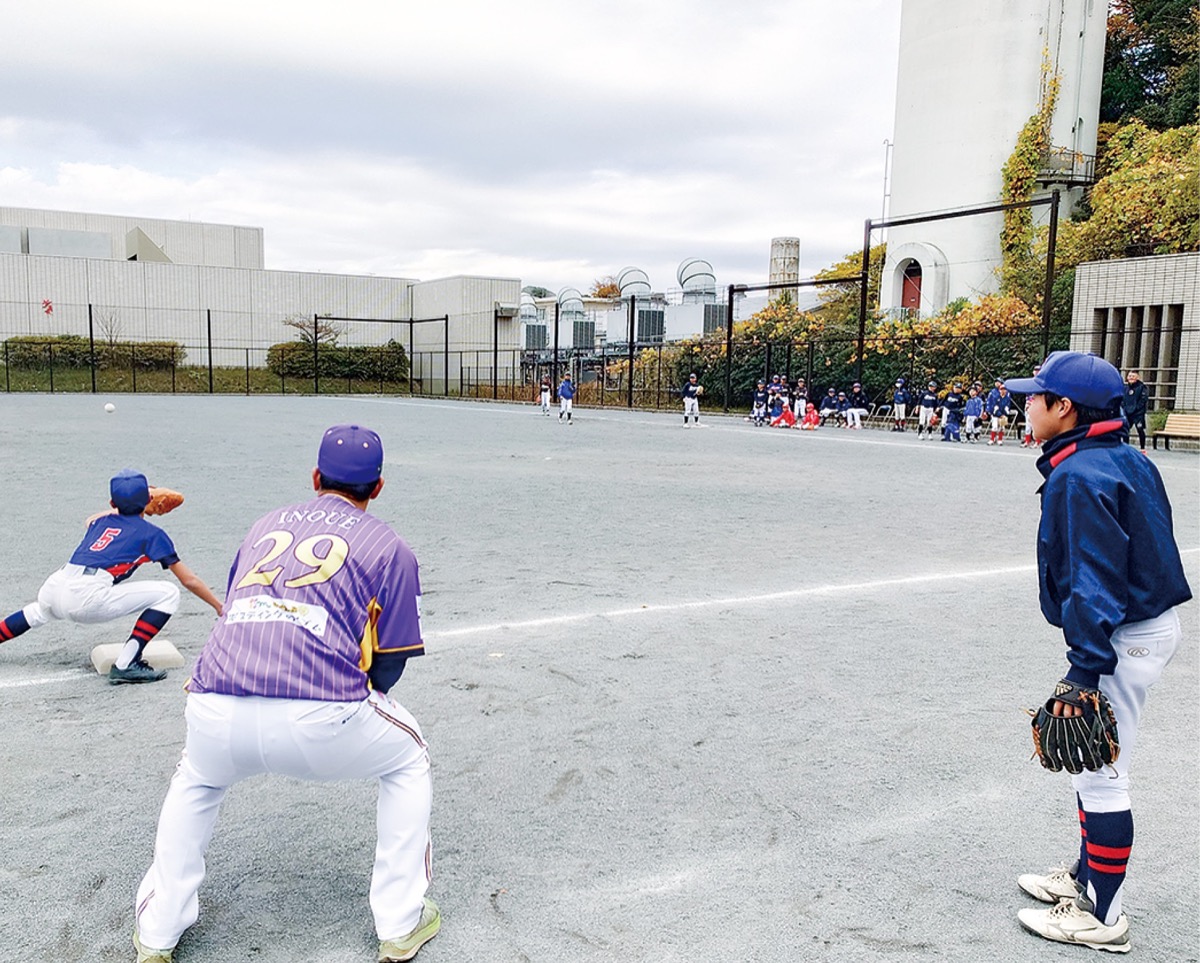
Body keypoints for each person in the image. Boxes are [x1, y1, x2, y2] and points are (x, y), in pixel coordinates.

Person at [131, 425, 439, 963]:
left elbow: (236, 608)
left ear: (315, 477)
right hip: (321, 720)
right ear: (378, 487)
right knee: (410, 756)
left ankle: (158, 932)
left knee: (196, 779)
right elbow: (390, 660)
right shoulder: (390, 546)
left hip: (214, 702)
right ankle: (399, 922)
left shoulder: (264, 524)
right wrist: (365, 693)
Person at [1003, 353, 1192, 953]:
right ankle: (1087, 877)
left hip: (1123, 635)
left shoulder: (1080, 474)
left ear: (1064, 408)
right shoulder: (1124, 455)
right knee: (1093, 761)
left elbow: (1095, 577)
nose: (1026, 405)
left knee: (1101, 770)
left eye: (1036, 396)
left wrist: (1084, 668)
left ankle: (1103, 916)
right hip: (1142, 625)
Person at [0, 470, 223, 684]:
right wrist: (219, 607)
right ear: (148, 500)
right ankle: (126, 665)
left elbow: (91, 518)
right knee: (169, 593)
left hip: (54, 587)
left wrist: (126, 505)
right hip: (85, 598)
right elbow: (189, 580)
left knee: (38, 611)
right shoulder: (152, 534)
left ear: (112, 503)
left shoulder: (100, 522)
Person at [1122, 371, 1148, 452]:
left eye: (1133, 376)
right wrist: (1124, 408)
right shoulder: (1125, 388)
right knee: (1125, 430)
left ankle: (1142, 448)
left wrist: (1136, 408)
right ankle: (1126, 448)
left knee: (1140, 429)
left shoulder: (1142, 387)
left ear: (1137, 378)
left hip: (1138, 414)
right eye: (1129, 376)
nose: (1131, 378)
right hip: (1127, 413)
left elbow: (1143, 400)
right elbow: (1122, 399)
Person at [1020, 364, 1042, 448]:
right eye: (1035, 371)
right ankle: (1027, 441)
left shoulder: (1042, 382)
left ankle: (1038, 441)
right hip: (1029, 404)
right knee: (1028, 424)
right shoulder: (1031, 382)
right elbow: (1028, 394)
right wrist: (1028, 403)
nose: (1036, 372)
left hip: (1038, 404)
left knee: (1037, 425)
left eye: (1038, 371)